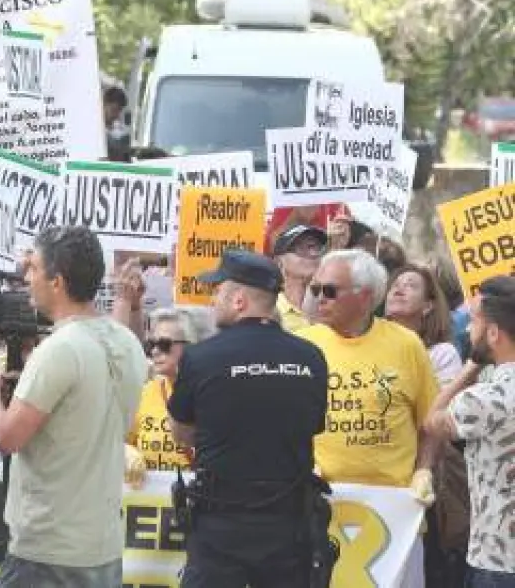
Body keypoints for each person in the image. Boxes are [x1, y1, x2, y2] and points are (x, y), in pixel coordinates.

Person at [0, 225, 148, 586]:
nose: (26, 277)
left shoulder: (59, 349)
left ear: (57, 282)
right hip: (102, 546)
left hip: (48, 550)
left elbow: (7, 437)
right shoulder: (128, 342)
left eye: (34, 267)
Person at [165, 250, 328, 586]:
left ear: (238, 300)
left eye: (218, 292)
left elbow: (181, 433)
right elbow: (311, 426)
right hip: (288, 522)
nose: (213, 302)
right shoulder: (311, 357)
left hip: (221, 521)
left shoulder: (200, 357)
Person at [299, 249, 439, 585]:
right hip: (320, 509)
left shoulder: (407, 345)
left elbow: (431, 423)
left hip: (394, 516)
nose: (319, 298)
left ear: (364, 297)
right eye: (315, 289)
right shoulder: (303, 346)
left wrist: (424, 470)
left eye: (330, 290)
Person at [424, 276, 515, 582]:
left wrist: (470, 367)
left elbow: (432, 421)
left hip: (498, 560)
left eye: (474, 321)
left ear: (493, 333)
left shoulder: (483, 399)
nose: (466, 330)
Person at [127, 307, 210, 478]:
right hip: (152, 492)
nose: (155, 351)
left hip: (200, 490)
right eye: (151, 345)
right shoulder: (145, 393)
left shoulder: (213, 393)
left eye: (164, 345)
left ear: (192, 344)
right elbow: (119, 442)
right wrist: (128, 454)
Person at [386, 264, 465, 385]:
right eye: (395, 285)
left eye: (411, 285)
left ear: (427, 306)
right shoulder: (370, 344)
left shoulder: (442, 354)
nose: (400, 288)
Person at [272, 224, 327, 333]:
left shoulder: (331, 304)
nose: (313, 254)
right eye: (300, 248)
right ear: (279, 262)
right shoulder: (271, 310)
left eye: (316, 248)